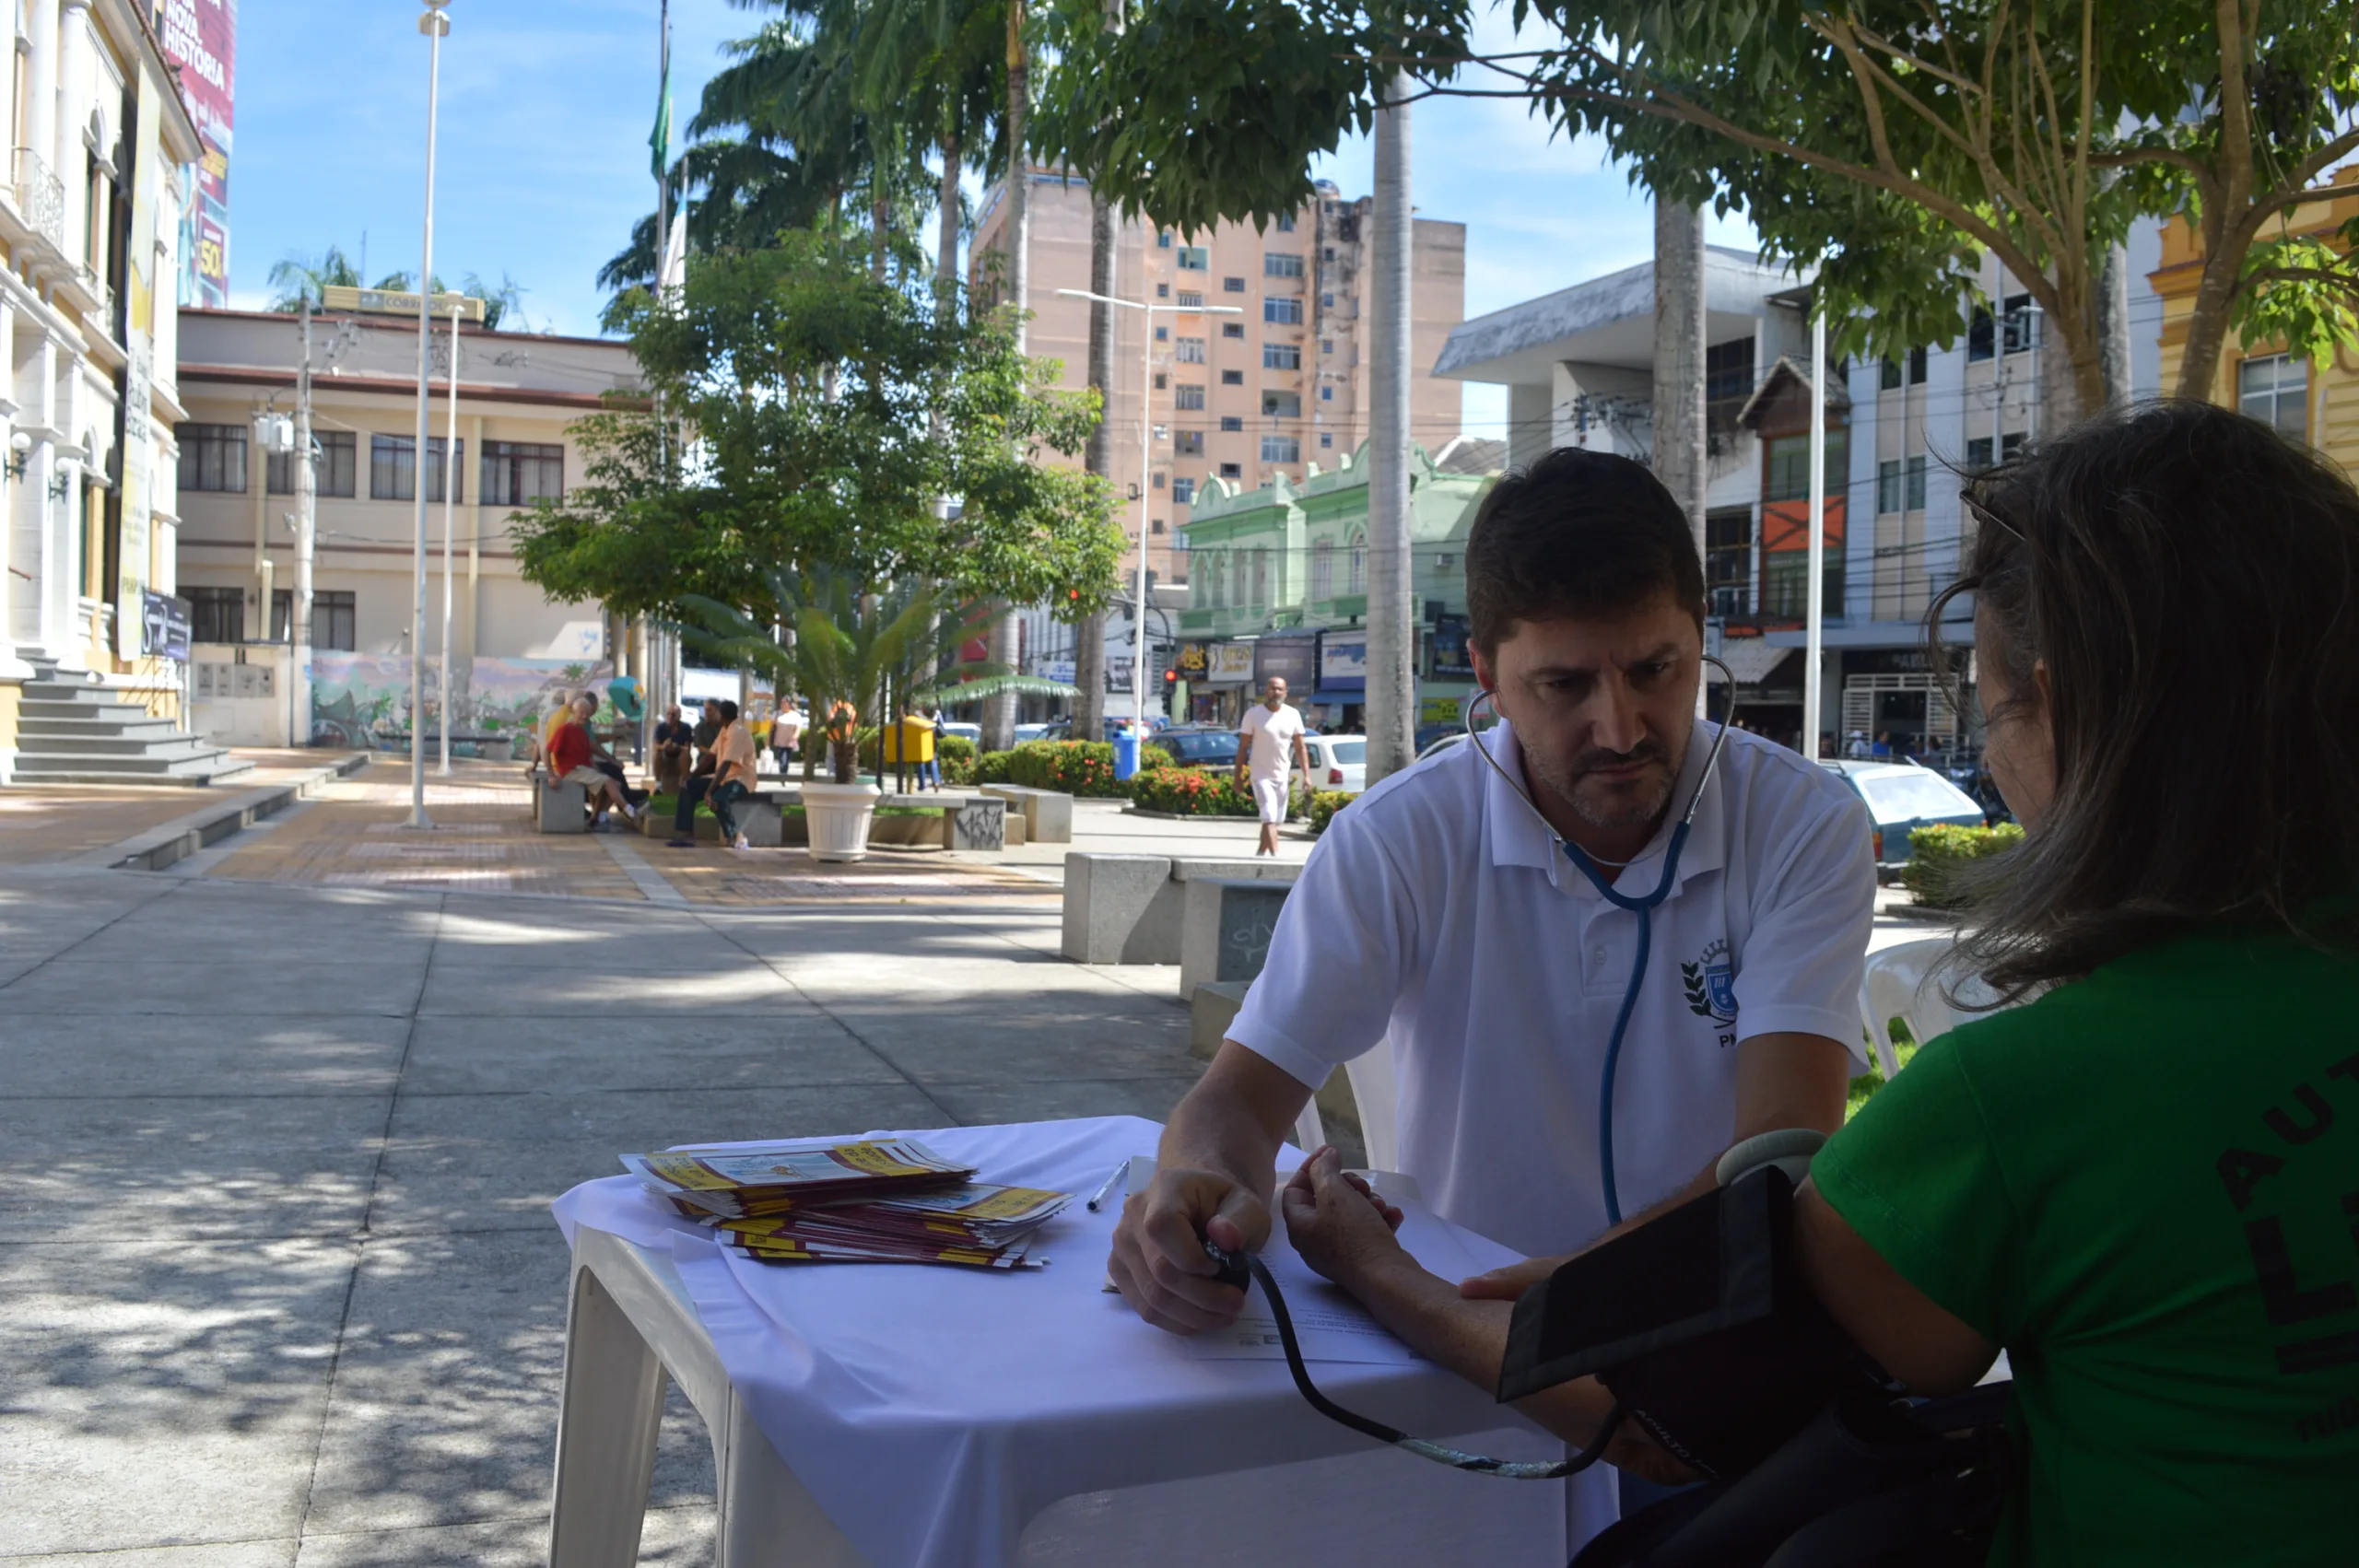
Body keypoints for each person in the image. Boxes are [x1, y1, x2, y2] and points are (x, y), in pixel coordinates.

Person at [1279, 403, 2359, 1562]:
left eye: (1988, 706)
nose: (1993, 761)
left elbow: (1655, 1416)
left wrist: (1371, 1265)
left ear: (2061, 709)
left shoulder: (2021, 1104)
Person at [1109, 446, 1874, 1533]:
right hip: (1459, 1388)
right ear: (1484, 670)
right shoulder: (1399, 838)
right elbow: (1239, 1102)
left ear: (1703, 639)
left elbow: (1780, 1153)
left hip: (1699, 1364)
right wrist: (1190, 1191)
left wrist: (1516, 1294)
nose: (1619, 728)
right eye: (1563, 685)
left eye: (1657, 670)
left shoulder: (1801, 822)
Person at [1233, 676, 1311, 856]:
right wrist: (1237, 777)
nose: (1275, 692)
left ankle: (1261, 853)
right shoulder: (1253, 715)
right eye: (1272, 689)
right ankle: (1276, 855)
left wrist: (1307, 776)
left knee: (1275, 820)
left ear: (1285, 692)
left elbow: (1300, 748)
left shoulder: (1293, 715)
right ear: (1265, 691)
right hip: (1260, 775)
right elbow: (1243, 748)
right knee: (1268, 813)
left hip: (1282, 776)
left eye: (1279, 689)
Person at [546, 700, 641, 827]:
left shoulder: (582, 732)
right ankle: (630, 810)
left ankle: (597, 817)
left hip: (584, 769)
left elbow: (587, 757)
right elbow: (546, 750)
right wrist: (551, 775)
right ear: (574, 713)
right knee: (608, 782)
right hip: (571, 770)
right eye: (581, 713)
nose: (585, 716)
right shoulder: (565, 729)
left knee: (615, 784)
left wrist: (599, 770)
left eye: (587, 713)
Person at [651, 705, 692, 794]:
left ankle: (684, 782)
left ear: (679, 716)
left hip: (679, 753)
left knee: (685, 754)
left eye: (673, 715)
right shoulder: (661, 727)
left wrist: (676, 746)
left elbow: (687, 747)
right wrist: (664, 746)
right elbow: (656, 746)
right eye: (668, 714)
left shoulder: (685, 728)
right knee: (657, 754)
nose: (670, 717)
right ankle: (658, 784)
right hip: (665, 753)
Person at [771, 702, 804, 775]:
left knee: (786, 760)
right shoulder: (777, 714)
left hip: (790, 741)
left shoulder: (795, 715)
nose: (783, 705)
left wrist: (796, 736)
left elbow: (798, 727)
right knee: (782, 759)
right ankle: (783, 775)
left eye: (785, 704)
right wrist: (768, 739)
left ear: (789, 705)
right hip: (779, 741)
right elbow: (771, 728)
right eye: (782, 704)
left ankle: (784, 774)